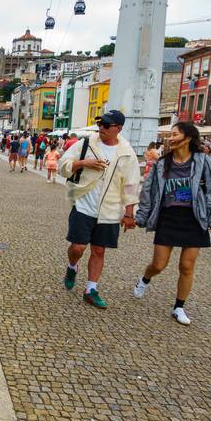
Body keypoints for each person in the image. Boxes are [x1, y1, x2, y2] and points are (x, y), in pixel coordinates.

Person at [133, 122, 211, 325]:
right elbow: (148, 191)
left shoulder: (202, 161)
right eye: (170, 134)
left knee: (186, 266)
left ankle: (179, 307)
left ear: (188, 137)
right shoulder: (162, 163)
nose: (170, 138)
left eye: (175, 134)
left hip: (194, 218)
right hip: (168, 217)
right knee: (159, 264)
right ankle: (145, 279)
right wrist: (141, 216)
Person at [58, 110, 141, 309]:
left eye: (106, 125)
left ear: (118, 128)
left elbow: (131, 185)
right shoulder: (86, 144)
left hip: (110, 209)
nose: (101, 127)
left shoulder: (127, 153)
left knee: (99, 250)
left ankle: (91, 289)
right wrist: (82, 163)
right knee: (78, 247)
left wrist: (130, 214)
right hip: (83, 204)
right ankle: (72, 266)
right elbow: (63, 165)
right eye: (100, 123)